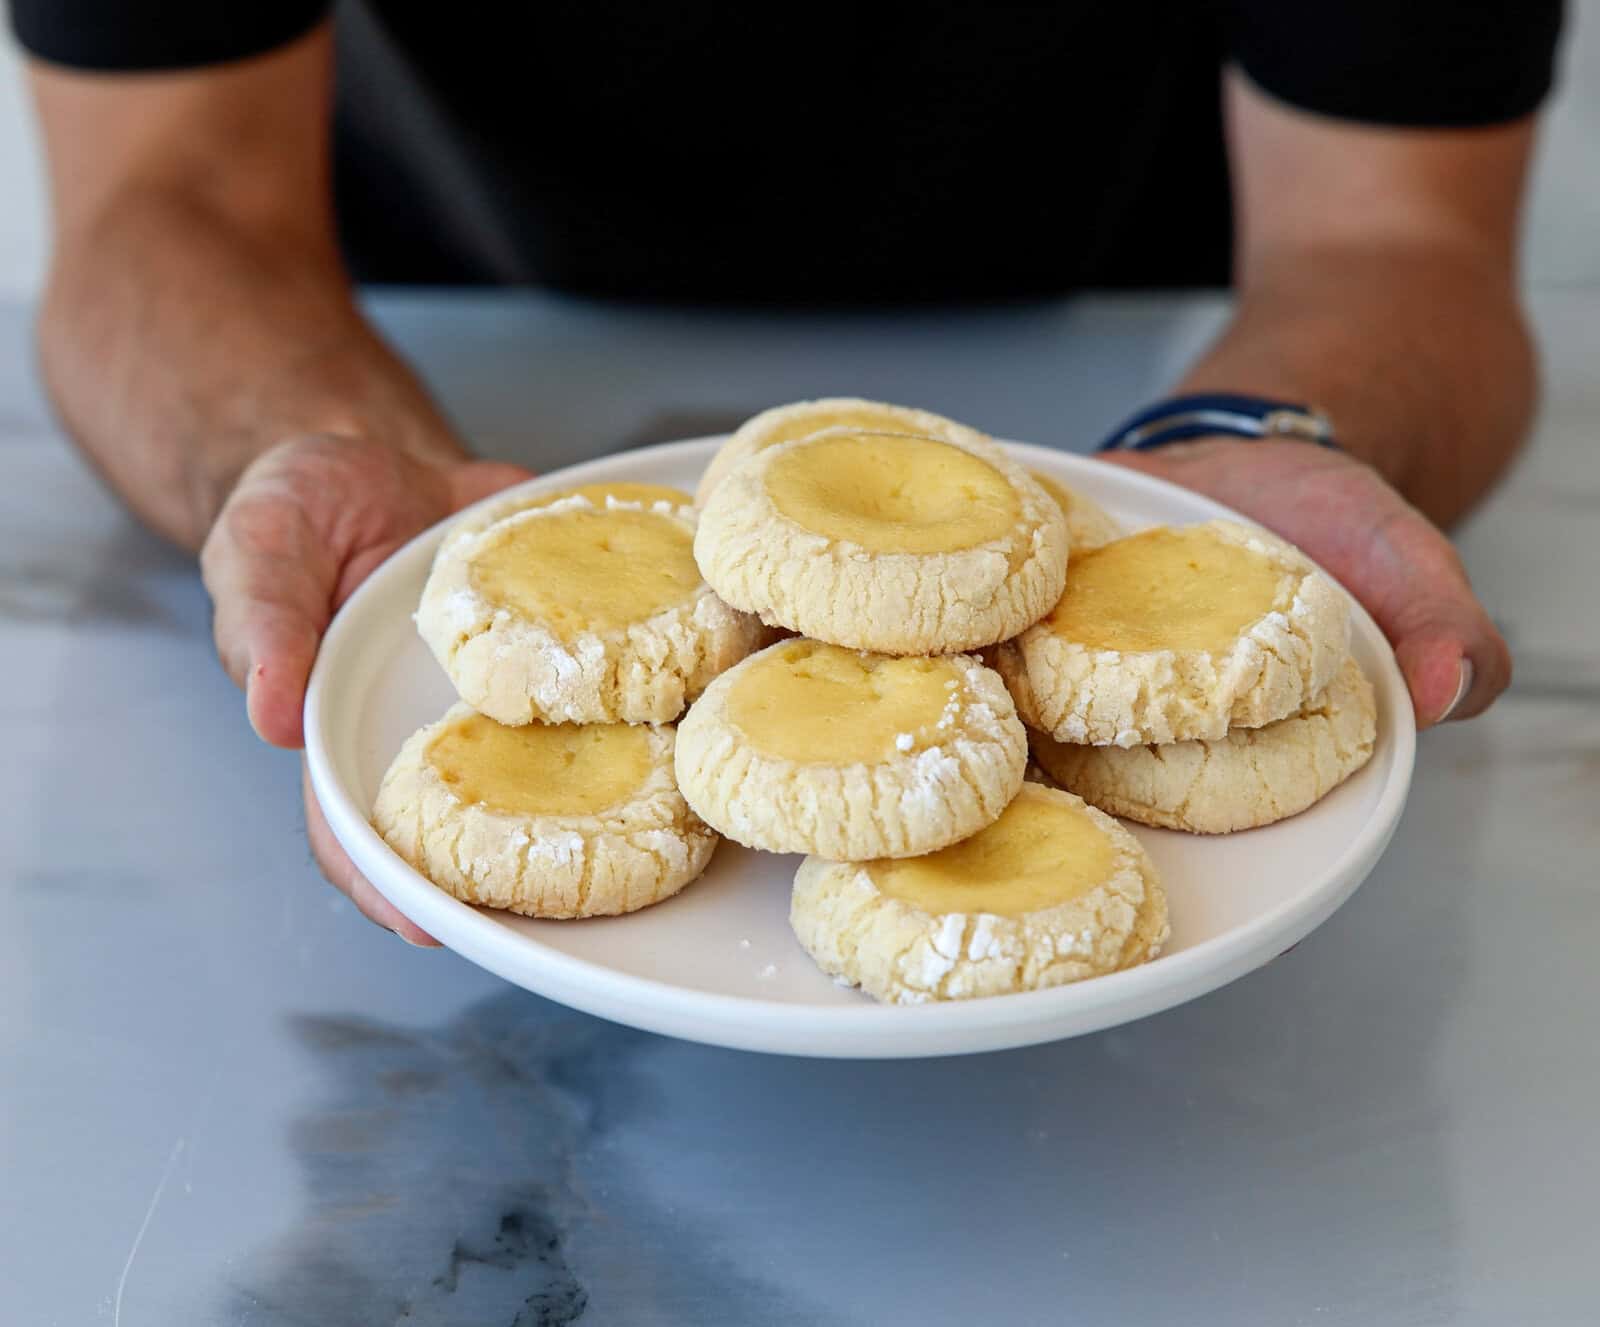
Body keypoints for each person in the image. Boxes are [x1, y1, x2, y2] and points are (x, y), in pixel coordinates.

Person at [11, 2, 1561, 944]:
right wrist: (325, 444)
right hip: (448, 334)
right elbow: (165, 192)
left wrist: (1230, 461)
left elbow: (1395, 234)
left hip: (1125, 336)